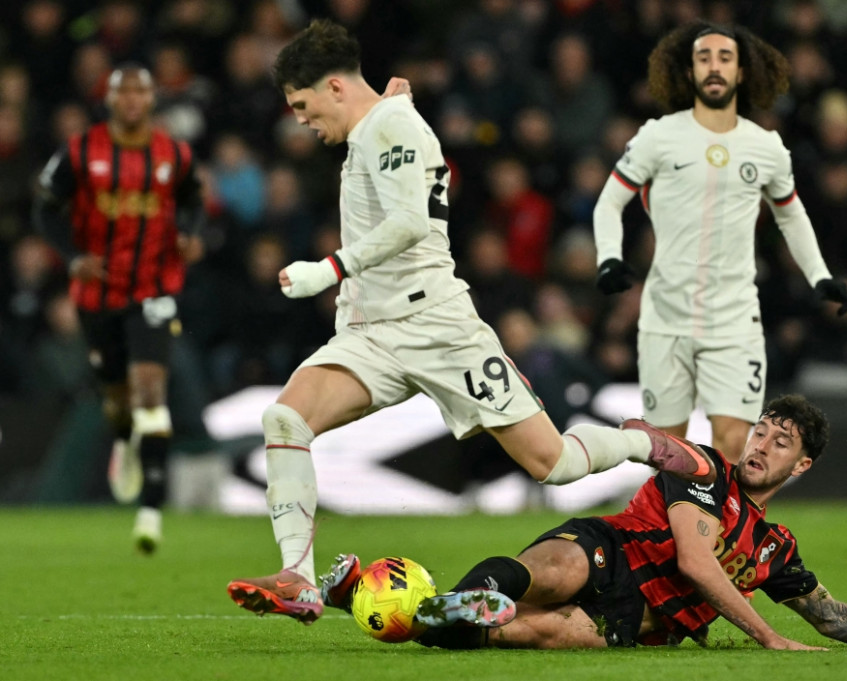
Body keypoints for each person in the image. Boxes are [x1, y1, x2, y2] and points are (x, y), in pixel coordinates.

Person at [225, 19, 717, 626]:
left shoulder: (391, 125)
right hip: (372, 333)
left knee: (554, 463)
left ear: (332, 86)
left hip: (438, 327)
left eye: (302, 105)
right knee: (286, 418)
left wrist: (328, 268)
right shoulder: (381, 123)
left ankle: (649, 442)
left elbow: (409, 222)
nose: (298, 118)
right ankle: (298, 577)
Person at [319, 394, 847, 651]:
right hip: (610, 553)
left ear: (803, 464)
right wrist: (767, 636)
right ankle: (448, 604)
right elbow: (698, 563)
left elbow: (832, 617)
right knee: (552, 574)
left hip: (638, 619)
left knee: (542, 628)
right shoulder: (704, 470)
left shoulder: (775, 548)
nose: (760, 444)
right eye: (761, 430)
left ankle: (417, 611)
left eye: (780, 442)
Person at [591, 22, 847, 464]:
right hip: (665, 318)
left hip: (734, 321)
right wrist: (609, 259)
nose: (714, 67)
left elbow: (791, 214)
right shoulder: (658, 135)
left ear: (742, 73)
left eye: (725, 58)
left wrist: (819, 275)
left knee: (733, 444)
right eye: (704, 58)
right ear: (689, 72)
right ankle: (675, 534)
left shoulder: (766, 147)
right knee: (666, 453)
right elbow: (609, 201)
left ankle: (722, 536)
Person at [33, 64, 205, 552]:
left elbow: (193, 198)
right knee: (115, 398)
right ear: (109, 100)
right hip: (98, 295)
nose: (132, 100)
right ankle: (126, 439)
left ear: (152, 100)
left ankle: (150, 512)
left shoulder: (174, 152)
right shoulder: (81, 151)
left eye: (140, 92)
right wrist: (72, 257)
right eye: (122, 92)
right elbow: (45, 207)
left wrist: (190, 235)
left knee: (151, 389)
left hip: (152, 288)